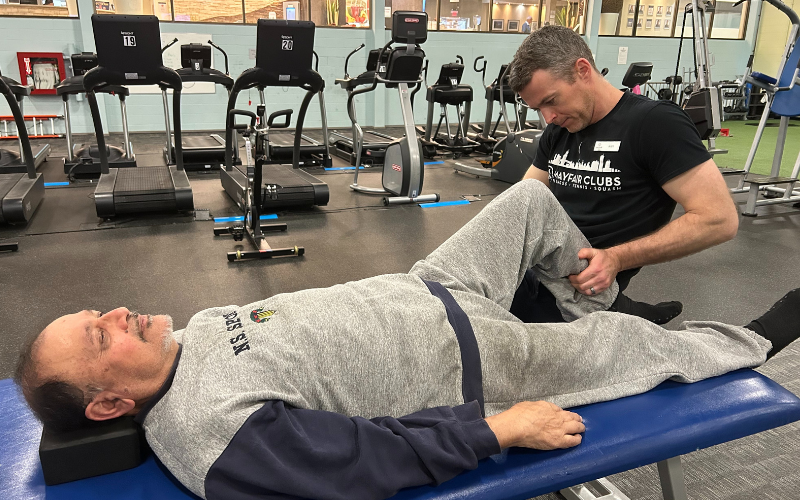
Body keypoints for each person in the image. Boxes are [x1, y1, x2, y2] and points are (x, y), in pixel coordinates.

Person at [16, 181, 799, 500]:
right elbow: (363, 460)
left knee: (528, 200)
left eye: (100, 310)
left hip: (432, 284)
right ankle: (759, 338)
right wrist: (500, 427)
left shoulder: (178, 343)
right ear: (110, 402)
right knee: (639, 355)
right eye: (99, 333)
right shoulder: (205, 431)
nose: (117, 312)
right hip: (476, 362)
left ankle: (603, 303)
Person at [507, 26, 740, 326]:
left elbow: (719, 219)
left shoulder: (655, 123)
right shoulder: (558, 131)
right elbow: (523, 204)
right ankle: (624, 310)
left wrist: (616, 259)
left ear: (582, 70)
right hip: (532, 271)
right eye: (539, 108)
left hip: (575, 291)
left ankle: (620, 310)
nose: (547, 118)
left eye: (551, 100)